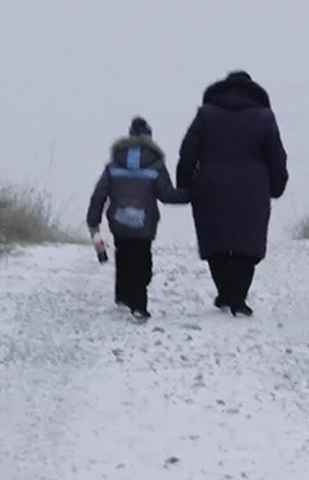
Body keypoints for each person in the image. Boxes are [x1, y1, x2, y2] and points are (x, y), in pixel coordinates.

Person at [175, 71, 289, 316]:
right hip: (252, 188)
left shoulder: (205, 115)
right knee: (246, 243)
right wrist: (276, 185)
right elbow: (276, 156)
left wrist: (185, 185)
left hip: (210, 186)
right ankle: (238, 297)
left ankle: (226, 293)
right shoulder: (264, 117)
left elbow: (188, 152)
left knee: (216, 241)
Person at [86, 117, 190, 320]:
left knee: (123, 255)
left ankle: (122, 296)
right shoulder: (156, 164)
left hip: (119, 220)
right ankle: (139, 306)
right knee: (141, 261)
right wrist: (192, 194)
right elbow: (167, 195)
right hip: (144, 222)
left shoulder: (114, 163)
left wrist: (93, 219)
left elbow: (100, 194)